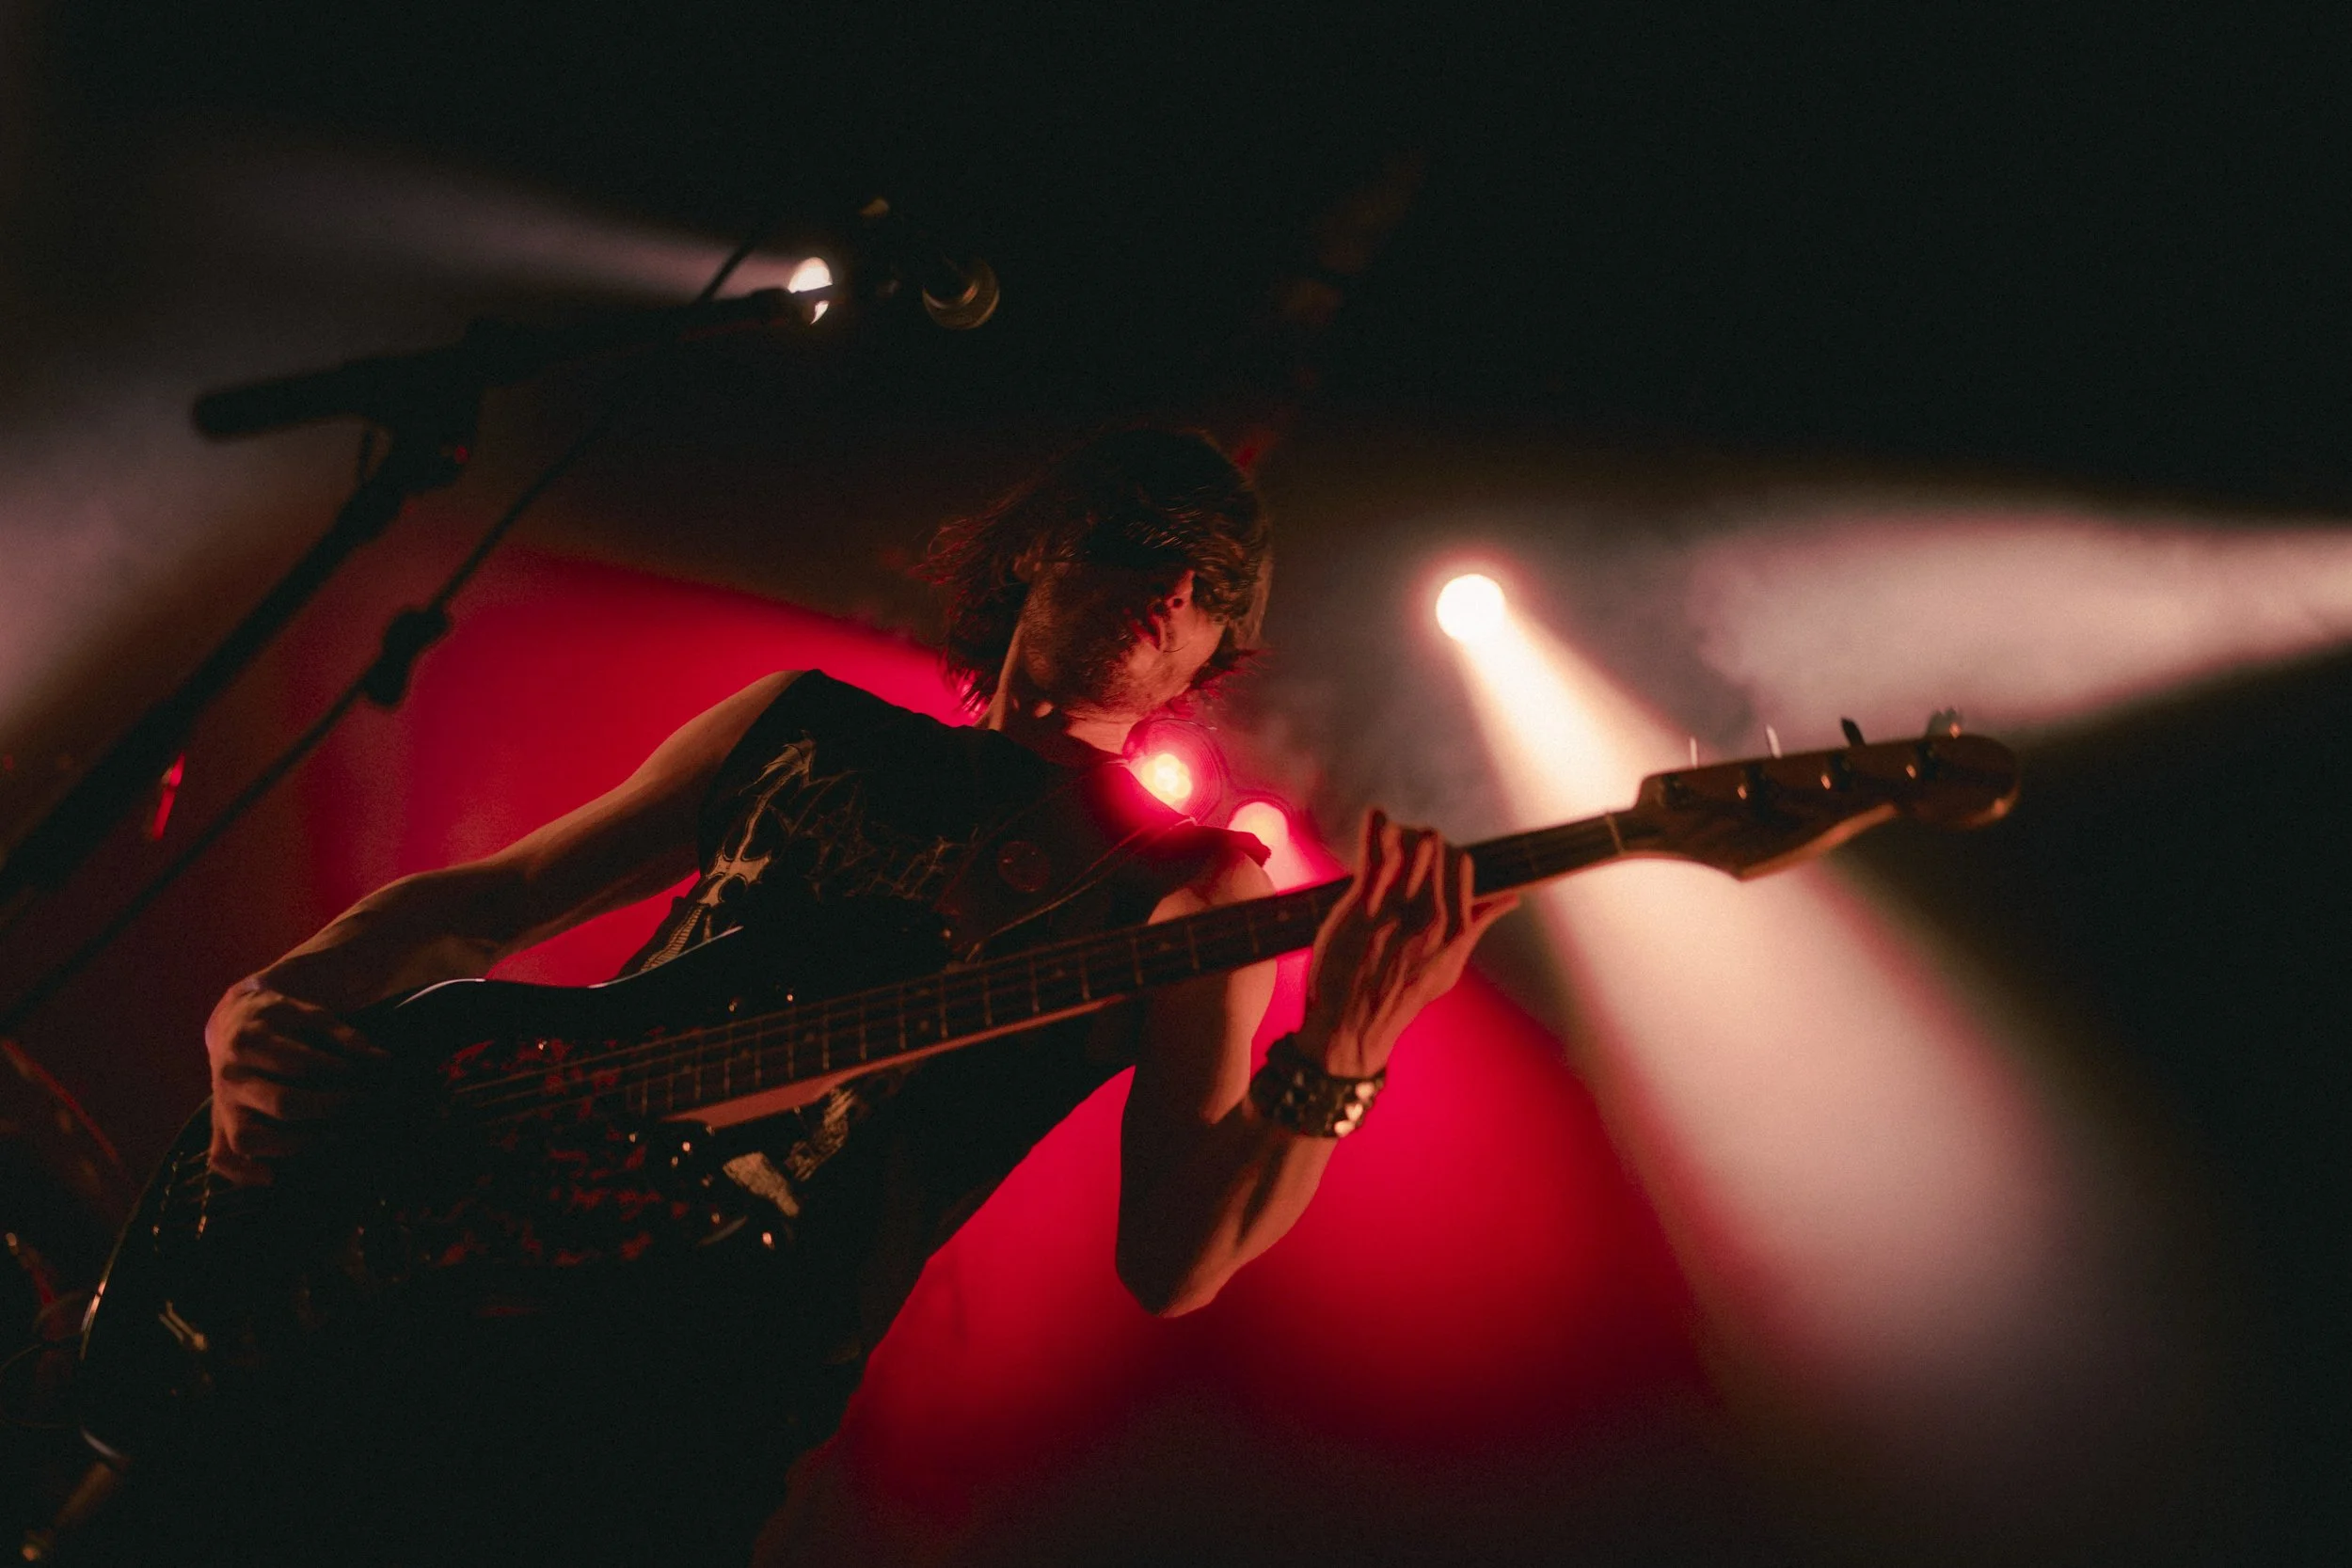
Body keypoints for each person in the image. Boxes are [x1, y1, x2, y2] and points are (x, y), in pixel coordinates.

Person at [191, 429, 1517, 1565]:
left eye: (1211, 584)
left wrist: (1343, 1048)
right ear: (1031, 557)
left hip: (670, 1428)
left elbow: (1174, 1259)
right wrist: (265, 998)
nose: (1171, 585)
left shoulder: (1191, 890)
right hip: (401, 1283)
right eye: (1141, 539)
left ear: (1215, 647)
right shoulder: (803, 726)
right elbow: (491, 897)